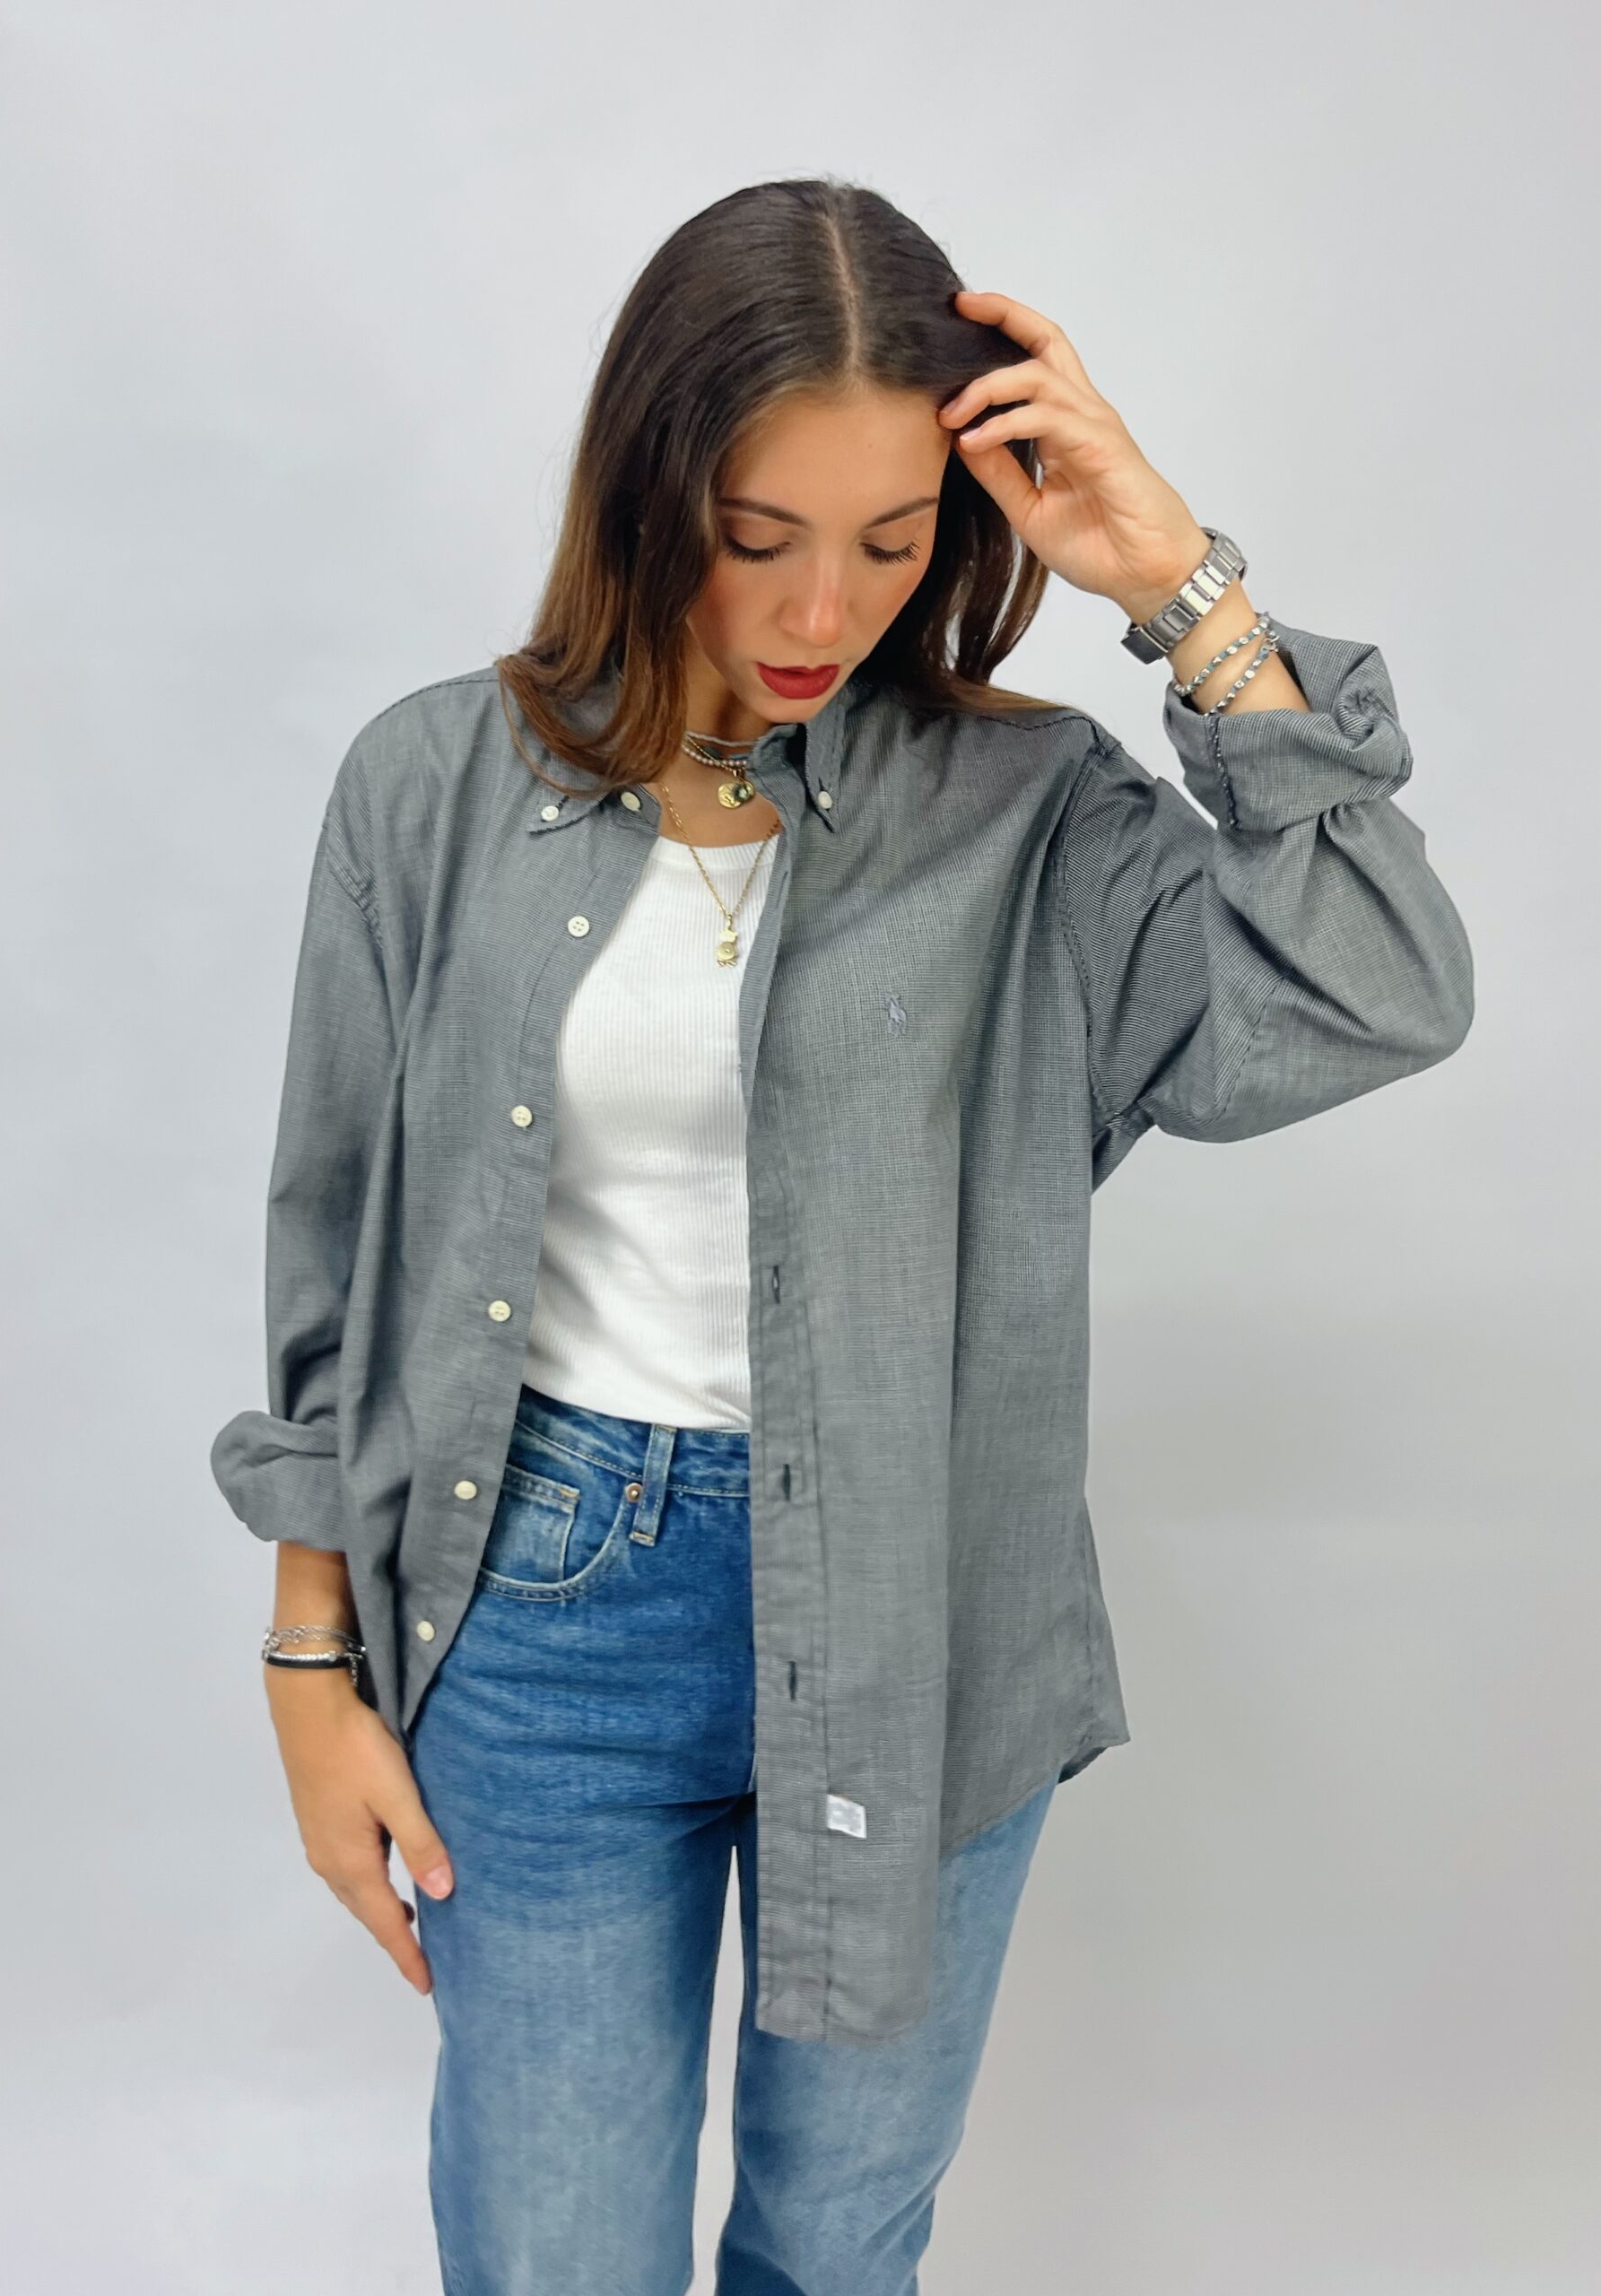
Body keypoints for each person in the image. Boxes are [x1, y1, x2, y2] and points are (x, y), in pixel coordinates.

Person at [210, 176, 1474, 2295]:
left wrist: (1181, 586)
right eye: (756, 531)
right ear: (645, 497)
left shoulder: (1032, 815)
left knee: (834, 2246)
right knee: (553, 2248)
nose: (823, 607)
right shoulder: (428, 784)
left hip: (926, 1609)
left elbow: (1380, 987)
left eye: (892, 542)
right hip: (539, 1601)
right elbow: (334, 1250)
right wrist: (307, 1660)